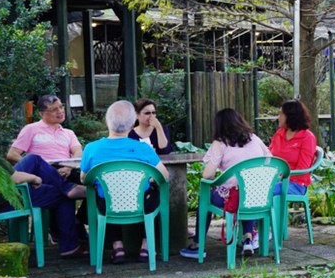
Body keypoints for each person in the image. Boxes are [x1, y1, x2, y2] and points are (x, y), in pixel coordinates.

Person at [0, 107, 85, 258]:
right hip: (4, 198)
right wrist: (34, 178)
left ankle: (68, 189)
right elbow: (14, 178)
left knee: (33, 159)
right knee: (61, 194)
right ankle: (69, 246)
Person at [80, 100, 169, 263]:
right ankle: (146, 248)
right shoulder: (143, 148)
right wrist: (147, 178)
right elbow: (164, 176)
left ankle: (117, 247)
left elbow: (84, 179)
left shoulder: (91, 148)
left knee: (106, 196)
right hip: (141, 204)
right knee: (155, 193)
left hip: (107, 205)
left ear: (107, 121)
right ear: (132, 123)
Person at [180, 108, 269, 258]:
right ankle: (248, 238)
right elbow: (270, 160)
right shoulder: (254, 139)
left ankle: (198, 245)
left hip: (232, 199)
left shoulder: (220, 143)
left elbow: (208, 175)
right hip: (258, 197)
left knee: (206, 196)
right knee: (247, 192)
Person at [8, 94, 83, 184]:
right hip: (41, 173)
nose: (60, 111)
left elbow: (78, 152)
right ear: (42, 113)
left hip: (66, 170)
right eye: (54, 110)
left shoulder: (69, 133)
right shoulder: (31, 129)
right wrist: (37, 167)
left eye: (61, 107)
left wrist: (69, 168)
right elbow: (12, 154)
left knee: (93, 183)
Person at [269, 99, 317, 197]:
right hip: (274, 179)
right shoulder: (279, 133)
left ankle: (271, 212)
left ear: (291, 116)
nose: (278, 117)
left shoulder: (307, 137)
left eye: (281, 114)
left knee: (264, 190)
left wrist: (281, 177)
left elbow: (303, 169)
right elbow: (269, 157)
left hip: (296, 184)